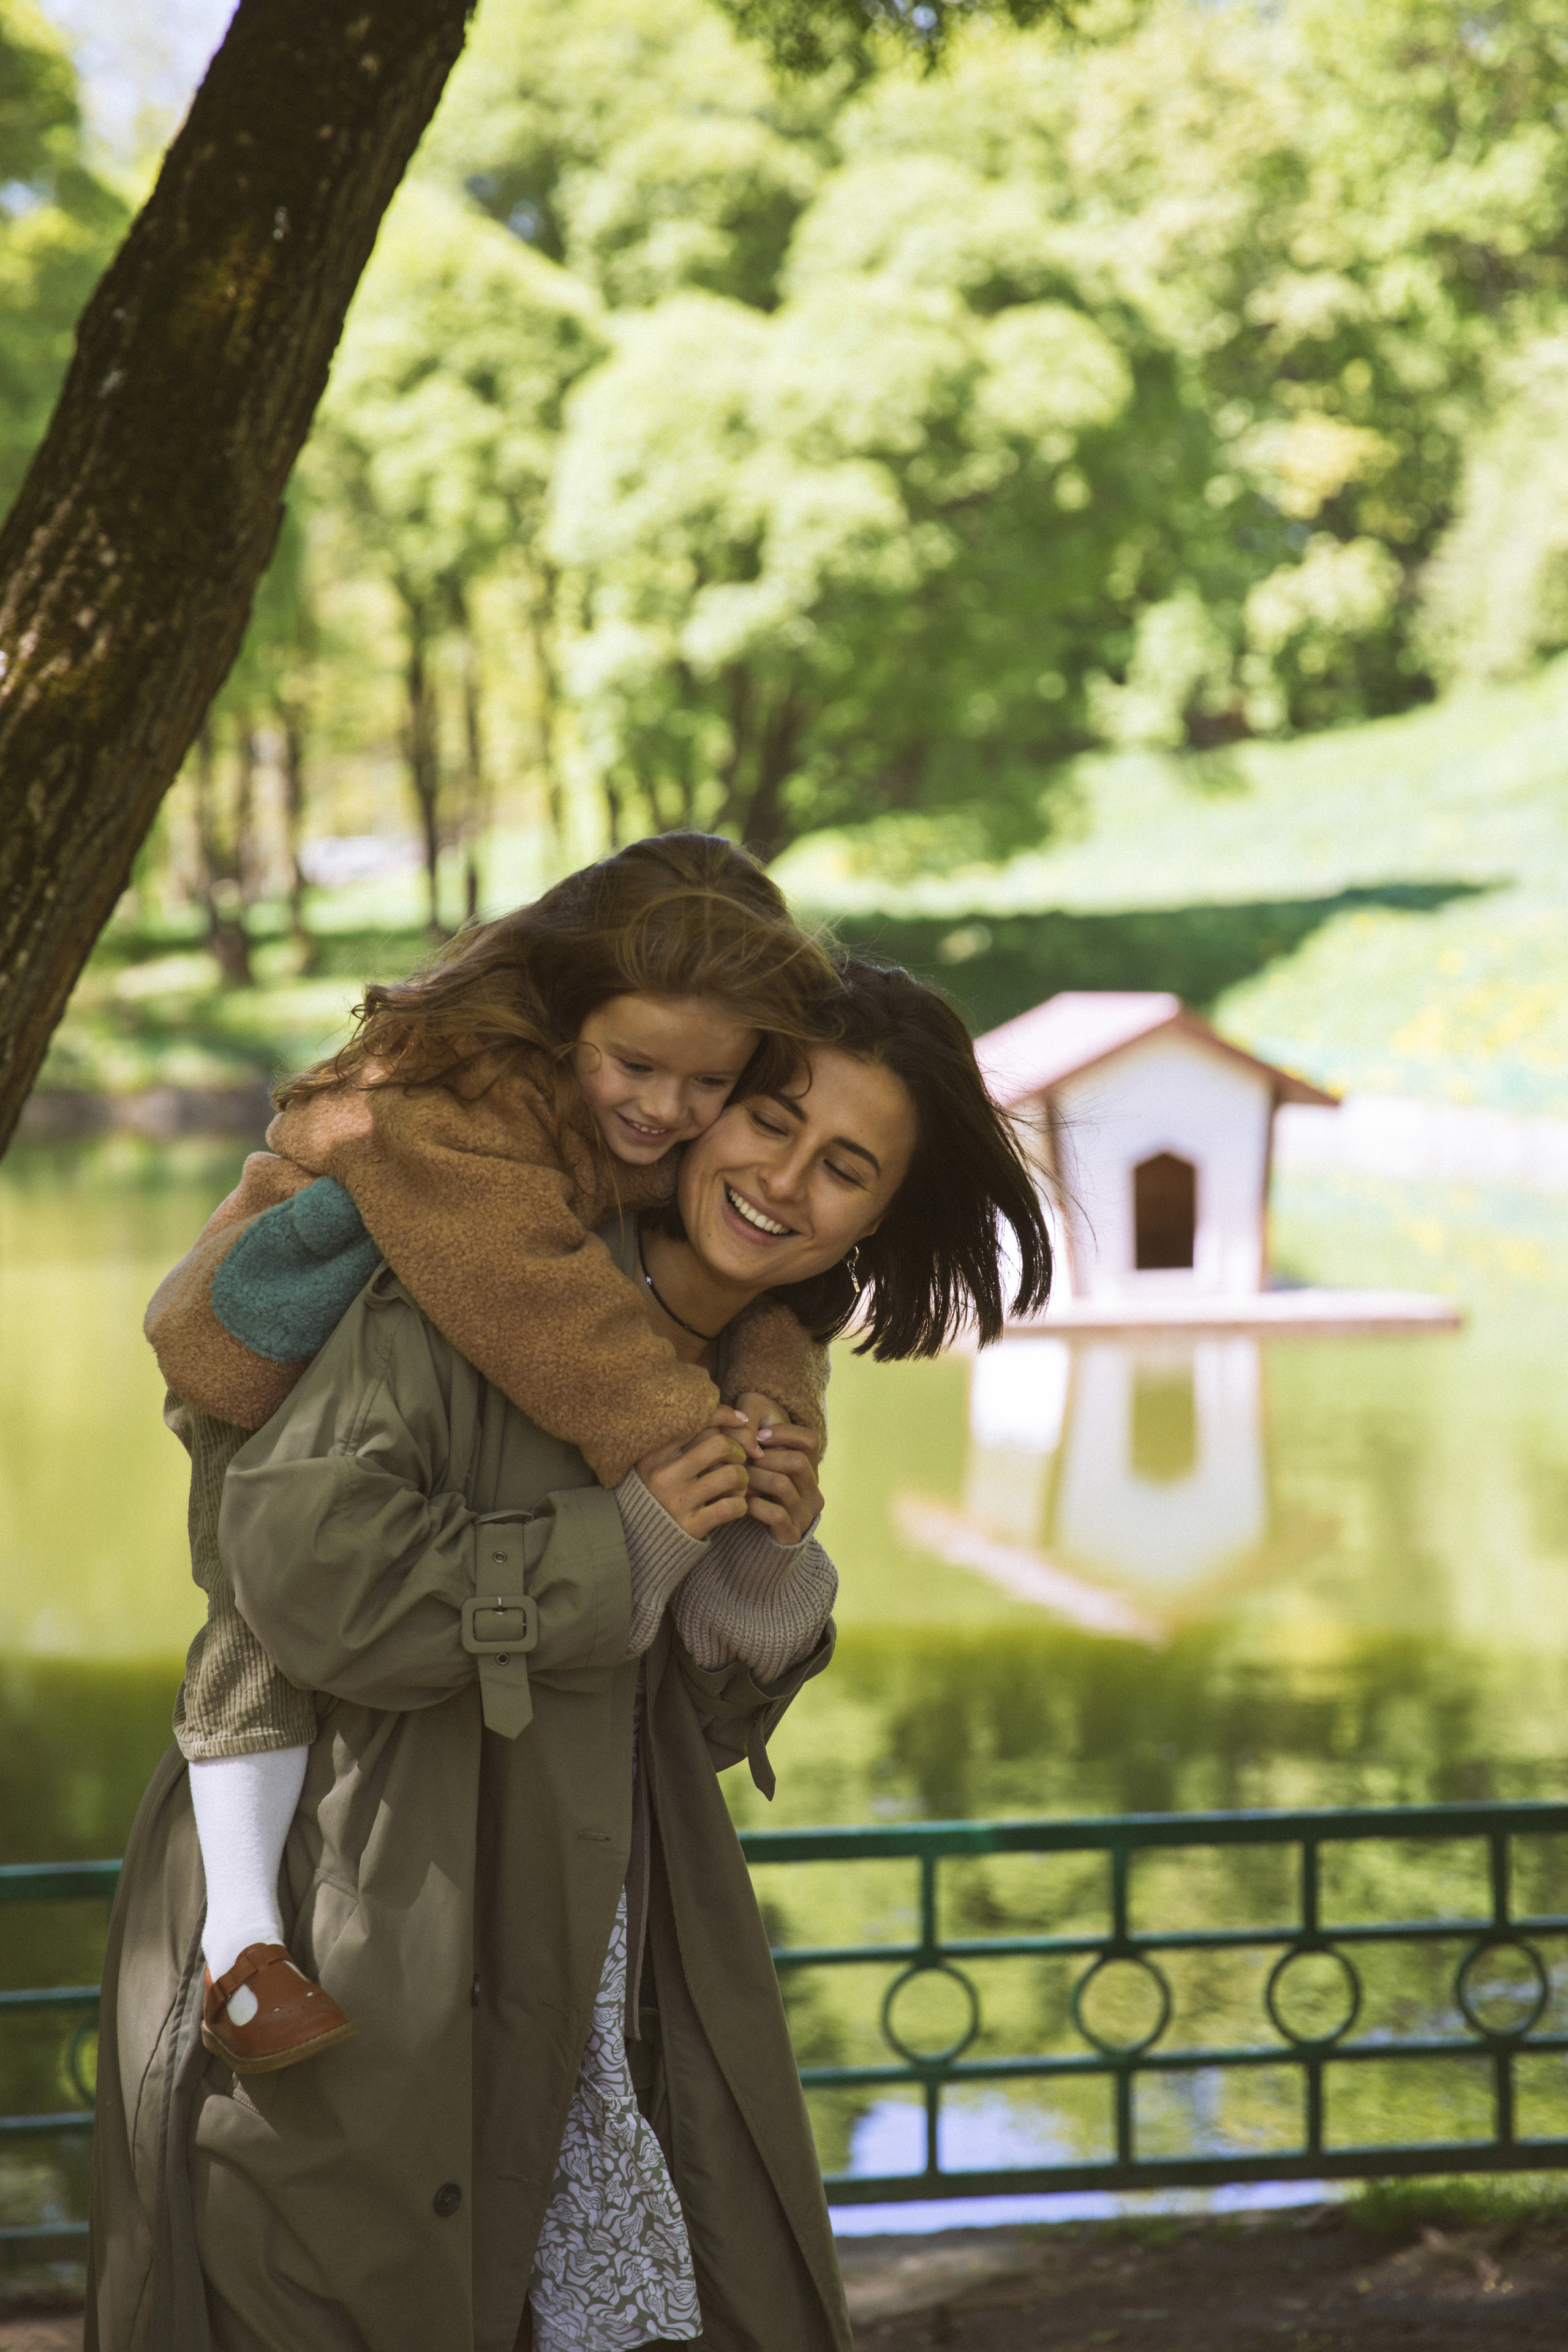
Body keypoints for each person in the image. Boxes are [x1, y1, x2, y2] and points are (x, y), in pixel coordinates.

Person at [87, 957, 1052, 2352]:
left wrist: (762, 1575)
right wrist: (620, 1547)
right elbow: (296, 1571)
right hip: (350, 1916)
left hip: (610, 1963)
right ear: (700, 1106)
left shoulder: (751, 1384)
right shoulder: (473, 1289)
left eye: (845, 1168)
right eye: (770, 1119)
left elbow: (660, 1726)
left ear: (875, 1223)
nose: (784, 1181)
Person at [141, 834, 838, 2075]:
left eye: (706, 1085)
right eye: (636, 1066)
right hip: (264, 1356)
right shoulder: (459, 1101)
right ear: (567, 1014)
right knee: (254, 1626)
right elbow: (539, 1302)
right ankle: (240, 1950)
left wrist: (771, 1418)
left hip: (425, 1424)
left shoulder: (641, 1121)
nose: (667, 1111)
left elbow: (749, 1307)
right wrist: (687, 1445)